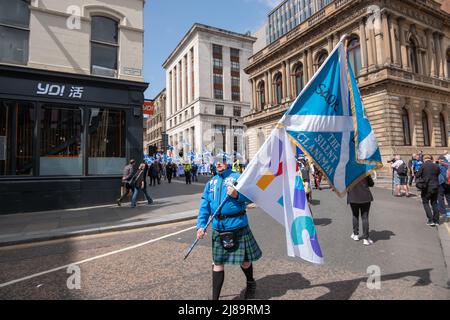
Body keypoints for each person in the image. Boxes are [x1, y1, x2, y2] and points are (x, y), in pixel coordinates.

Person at [196, 156, 261, 300]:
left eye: (222, 160)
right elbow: (204, 206)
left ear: (229, 162)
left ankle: (250, 283)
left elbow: (253, 195)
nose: (218, 163)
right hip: (219, 228)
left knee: (244, 261)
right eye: (216, 160)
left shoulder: (238, 177)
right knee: (217, 263)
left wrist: (237, 195)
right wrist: (201, 226)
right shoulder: (211, 182)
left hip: (237, 226)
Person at [348, 176, 375, 246]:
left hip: (353, 196)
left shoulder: (349, 172)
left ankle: (355, 234)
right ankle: (366, 238)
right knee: (365, 217)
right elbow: (371, 184)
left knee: (355, 215)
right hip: (365, 196)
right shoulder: (365, 171)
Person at [416, 155, 440, 226]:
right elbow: (438, 173)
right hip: (435, 186)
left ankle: (430, 220)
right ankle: (436, 221)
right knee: (434, 203)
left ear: (424, 159)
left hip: (426, 187)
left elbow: (417, 175)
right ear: (430, 159)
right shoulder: (436, 165)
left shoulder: (423, 165)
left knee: (426, 203)